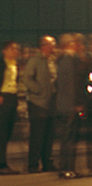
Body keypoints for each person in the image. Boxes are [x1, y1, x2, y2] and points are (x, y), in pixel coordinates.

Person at [55, 33, 90, 179]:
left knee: (66, 138)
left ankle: (66, 168)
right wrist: (77, 104)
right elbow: (72, 84)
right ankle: (67, 168)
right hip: (70, 105)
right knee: (69, 138)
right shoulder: (70, 60)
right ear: (69, 44)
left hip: (64, 104)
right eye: (74, 42)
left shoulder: (62, 60)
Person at [23, 36, 58, 173]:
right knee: (37, 135)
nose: (53, 46)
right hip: (38, 103)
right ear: (43, 46)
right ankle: (33, 163)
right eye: (51, 44)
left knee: (49, 135)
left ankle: (47, 162)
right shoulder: (35, 61)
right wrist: (38, 90)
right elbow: (27, 78)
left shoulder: (53, 61)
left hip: (51, 102)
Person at [0, 41, 21, 174]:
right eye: (12, 49)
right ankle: (2, 164)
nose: (15, 51)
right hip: (3, 97)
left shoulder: (15, 65)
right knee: (2, 131)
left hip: (12, 97)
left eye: (16, 49)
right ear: (4, 51)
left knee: (7, 130)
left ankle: (3, 161)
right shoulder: (3, 64)